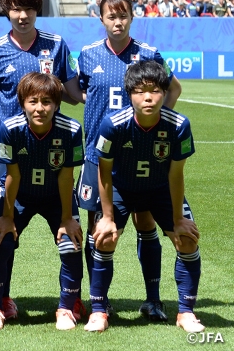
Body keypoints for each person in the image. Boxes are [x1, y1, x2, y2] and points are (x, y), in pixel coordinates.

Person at [77, 0, 183, 323]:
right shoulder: (87, 54)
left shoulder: (149, 54)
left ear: (132, 17)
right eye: (111, 16)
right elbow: (79, 91)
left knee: (146, 222)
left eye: (123, 15)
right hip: (99, 155)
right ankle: (100, 301)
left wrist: (155, 129)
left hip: (142, 156)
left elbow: (174, 89)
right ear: (101, 19)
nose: (118, 22)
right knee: (99, 228)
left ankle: (153, 300)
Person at [0, 0, 82, 321]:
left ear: (39, 10)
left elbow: (72, 93)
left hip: (53, 154)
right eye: (15, 9)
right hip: (12, 158)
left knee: (71, 236)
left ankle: (71, 303)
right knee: (1, 233)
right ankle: (0, 300)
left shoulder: (55, 45)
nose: (22, 16)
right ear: (5, 10)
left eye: (29, 8)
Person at [85, 60, 203, 334]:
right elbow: (104, 174)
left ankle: (186, 312)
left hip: (160, 189)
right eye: (139, 91)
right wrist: (107, 217)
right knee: (104, 237)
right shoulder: (112, 124)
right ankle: (99, 311)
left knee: (187, 238)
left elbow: (176, 175)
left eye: (154, 90)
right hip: (121, 188)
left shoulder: (179, 125)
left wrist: (177, 220)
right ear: (129, 94)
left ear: (165, 92)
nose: (147, 97)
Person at [0, 72, 84, 331]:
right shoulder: (10, 128)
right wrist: (6, 216)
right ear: (22, 102)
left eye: (47, 102)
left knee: (71, 245)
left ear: (57, 103)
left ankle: (65, 308)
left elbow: (66, 176)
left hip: (56, 197)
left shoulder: (71, 129)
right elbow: (12, 174)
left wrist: (67, 218)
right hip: (20, 196)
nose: (40, 108)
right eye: (33, 101)